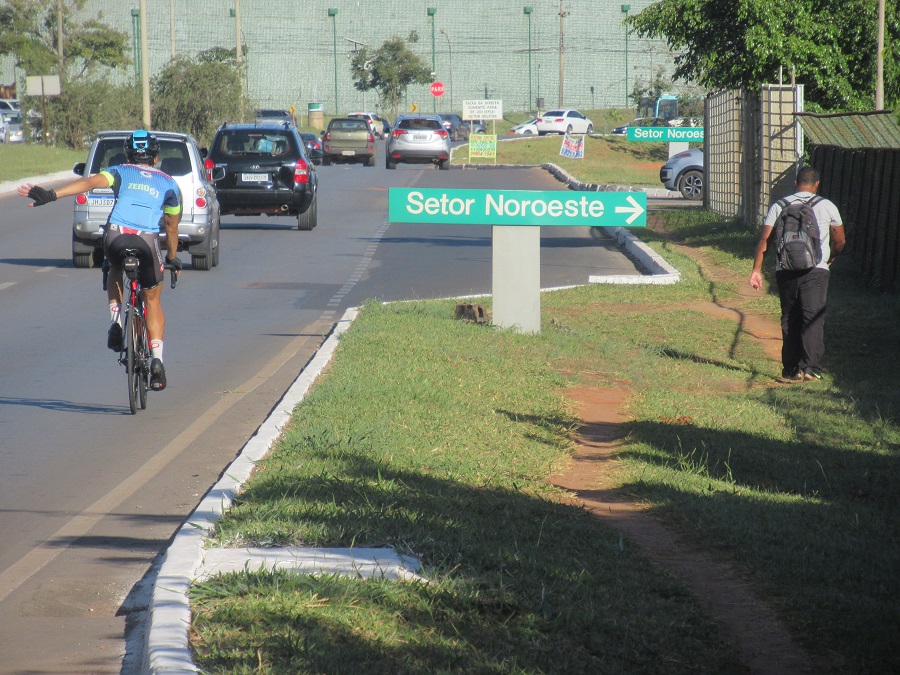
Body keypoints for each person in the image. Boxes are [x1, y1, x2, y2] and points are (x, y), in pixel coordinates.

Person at [19, 130, 182, 391]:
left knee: (114, 268)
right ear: (156, 157)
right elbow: (172, 229)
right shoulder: (169, 184)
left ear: (127, 154)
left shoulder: (119, 171)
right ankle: (157, 361)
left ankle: (116, 323)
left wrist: (51, 195)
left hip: (116, 236)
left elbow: (89, 183)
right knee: (153, 299)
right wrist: (173, 260)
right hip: (147, 241)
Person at [749, 166, 845, 382]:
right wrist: (832, 258)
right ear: (817, 184)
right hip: (817, 269)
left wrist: (756, 270)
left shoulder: (780, 205)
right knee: (813, 317)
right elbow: (840, 240)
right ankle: (811, 368)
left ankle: (792, 368)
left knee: (790, 316)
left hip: (786, 269)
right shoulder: (826, 205)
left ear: (795, 183)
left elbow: (766, 240)